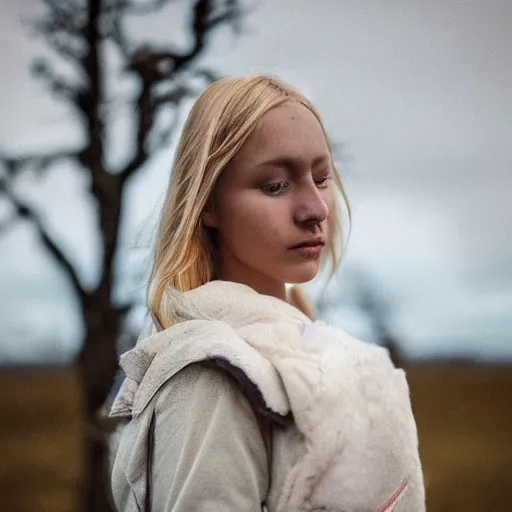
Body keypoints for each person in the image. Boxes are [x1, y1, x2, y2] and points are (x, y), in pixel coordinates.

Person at [109, 74, 426, 511]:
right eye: (276, 185)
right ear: (208, 204)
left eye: (322, 178)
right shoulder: (214, 378)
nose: (315, 209)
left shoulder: (300, 351)